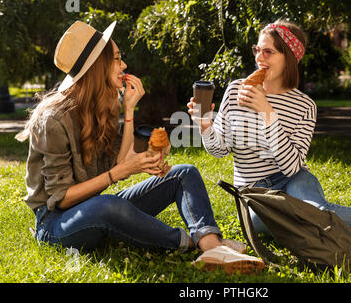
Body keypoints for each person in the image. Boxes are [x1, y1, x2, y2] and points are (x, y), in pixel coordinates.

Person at [15, 20, 265, 275]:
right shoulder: (53, 119)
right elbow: (61, 199)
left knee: (184, 172)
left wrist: (129, 110)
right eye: (116, 59)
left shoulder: (102, 105)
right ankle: (190, 242)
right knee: (108, 206)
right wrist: (121, 172)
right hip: (57, 223)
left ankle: (213, 248)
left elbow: (118, 162)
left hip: (95, 206)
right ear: (96, 67)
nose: (123, 65)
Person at [188, 19, 351, 247]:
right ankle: (320, 230)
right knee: (264, 223)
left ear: (289, 57)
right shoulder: (236, 91)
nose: (259, 58)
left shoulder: (304, 106)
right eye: (258, 49)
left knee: (319, 212)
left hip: (292, 179)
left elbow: (291, 168)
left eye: (268, 52)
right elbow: (220, 150)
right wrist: (206, 126)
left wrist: (267, 113)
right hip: (254, 194)